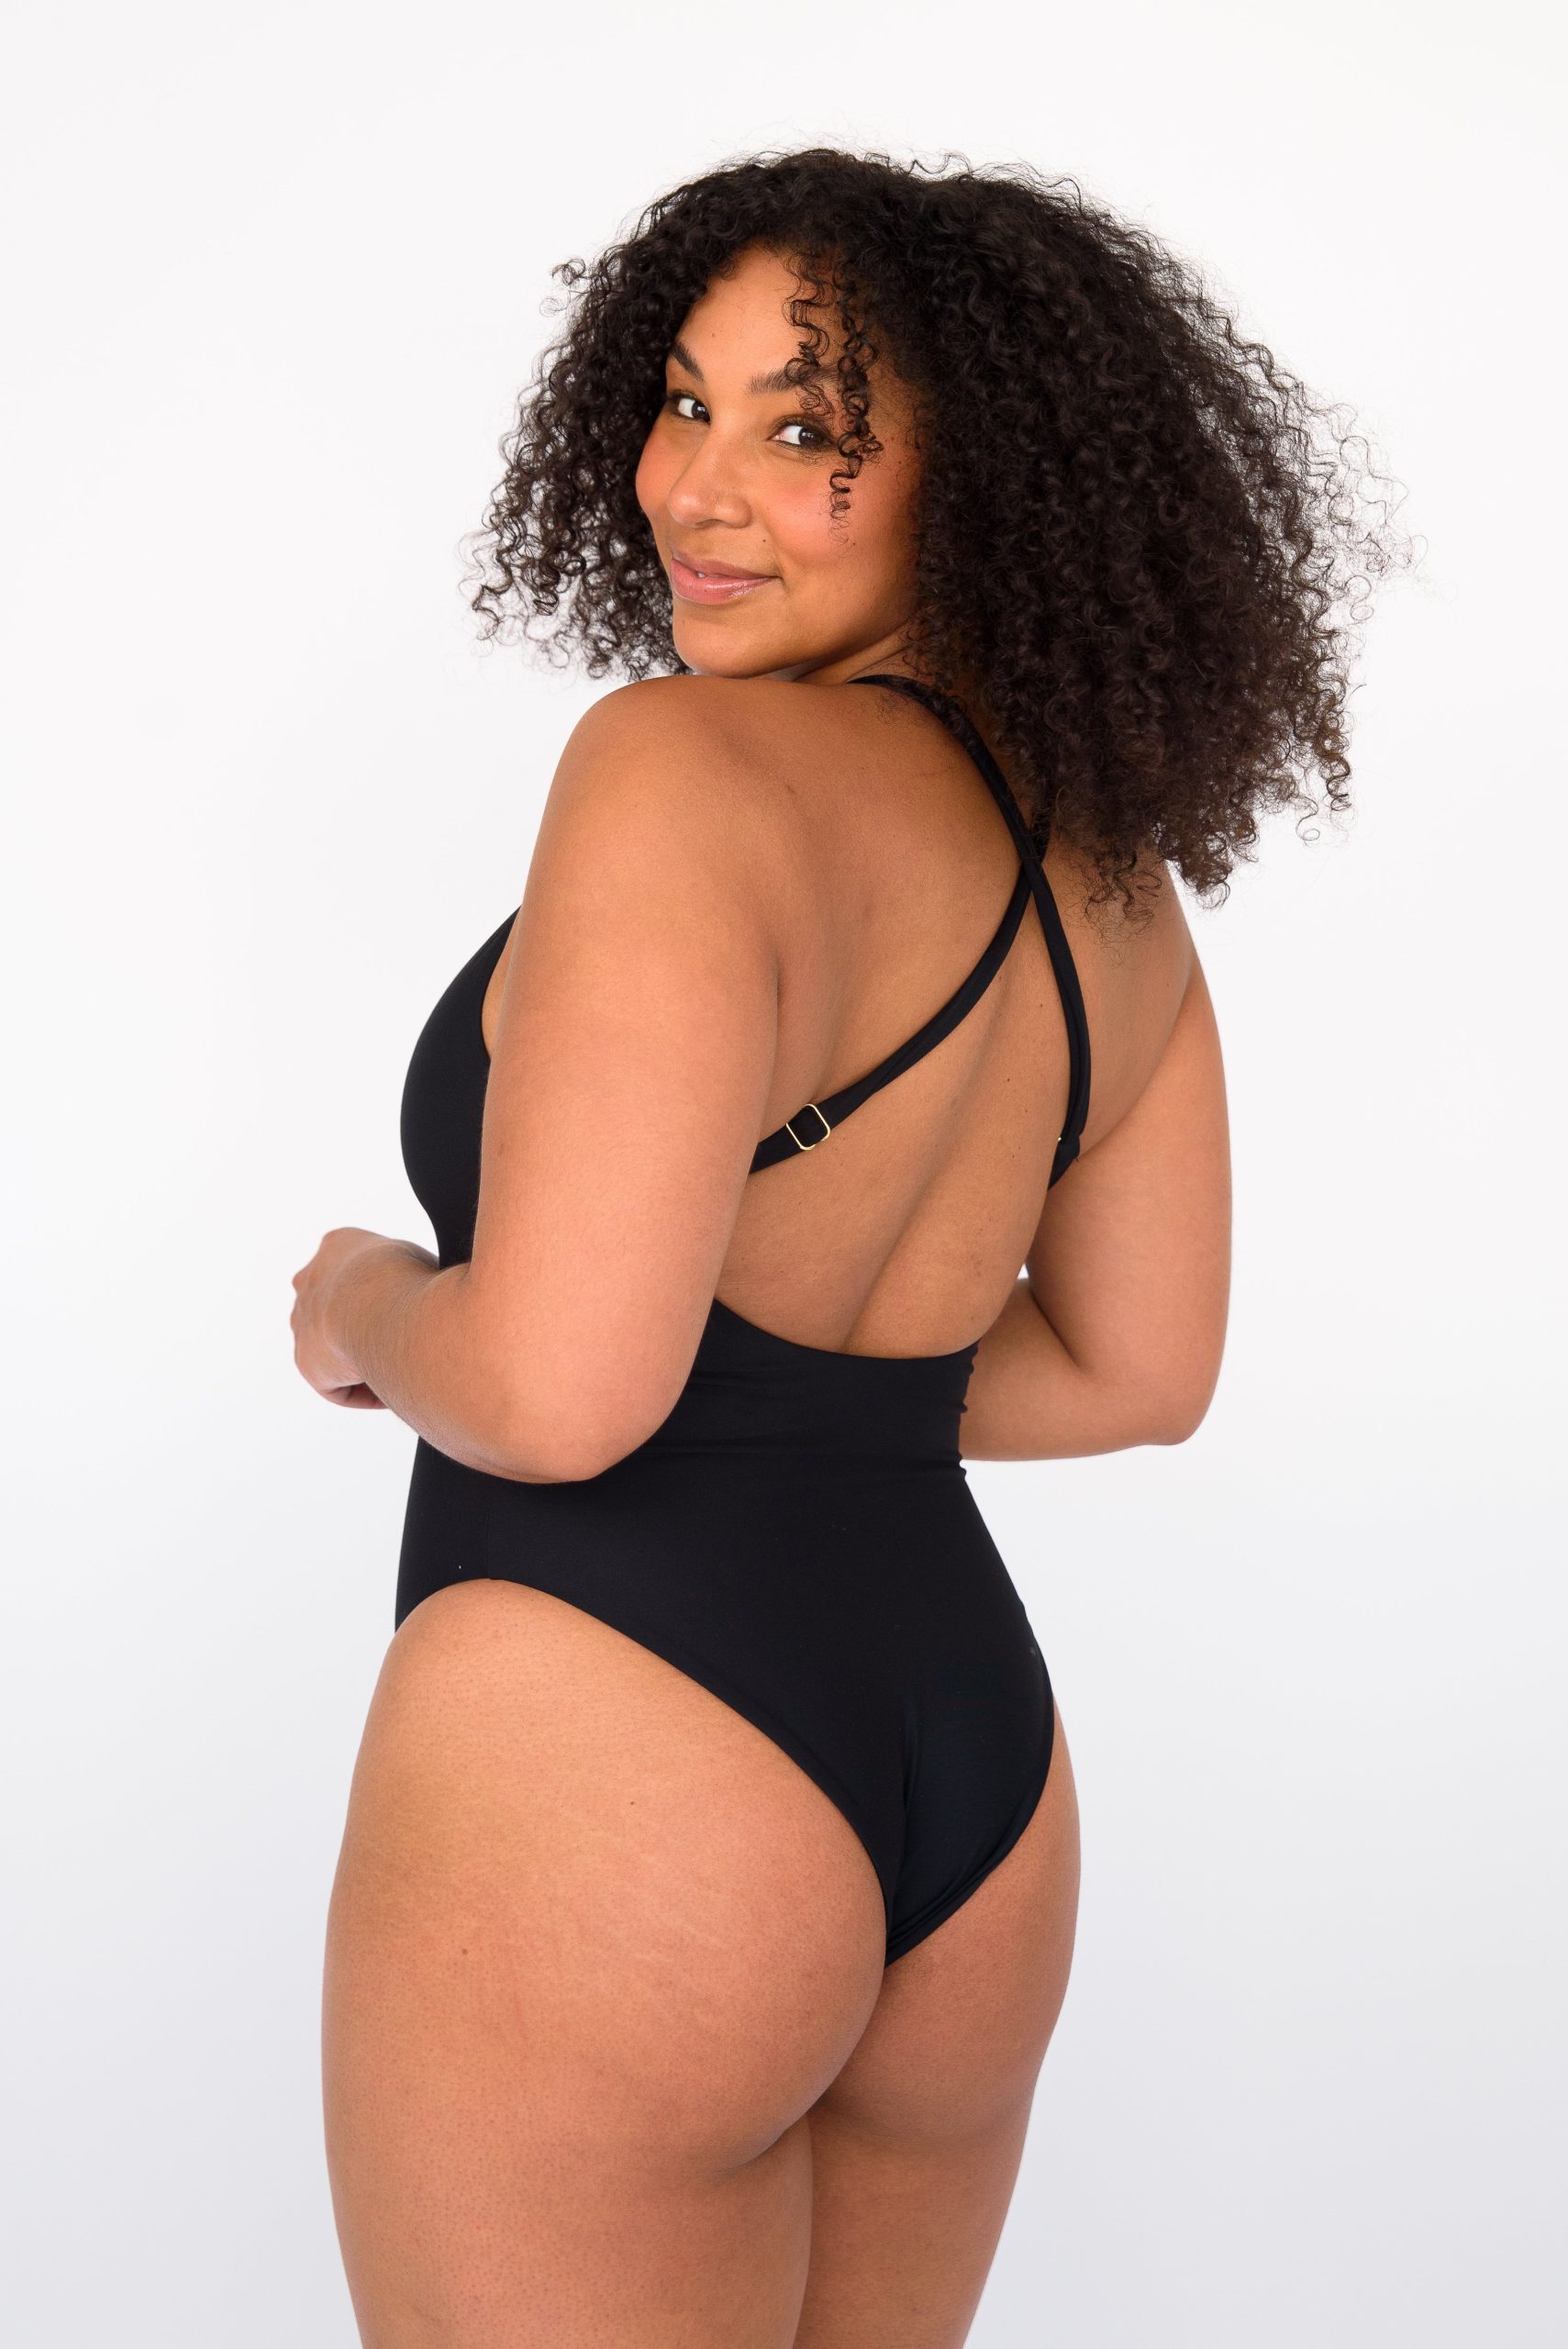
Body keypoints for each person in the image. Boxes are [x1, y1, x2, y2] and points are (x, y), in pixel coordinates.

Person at [290, 149, 1403, 2347]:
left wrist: (369, 1304)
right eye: (682, 401)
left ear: (985, 486)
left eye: (807, 433)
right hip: (967, 1788)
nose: (696, 487)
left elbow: (558, 1391)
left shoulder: (679, 771)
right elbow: (1140, 1368)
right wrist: (809, 1395)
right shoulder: (1110, 876)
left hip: (629, 1760)